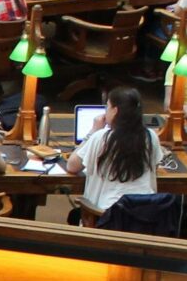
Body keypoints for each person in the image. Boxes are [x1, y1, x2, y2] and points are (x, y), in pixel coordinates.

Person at [63, 85, 159, 217]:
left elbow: (72, 166)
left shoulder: (101, 137)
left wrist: (92, 131)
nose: (105, 111)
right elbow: (155, 166)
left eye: (107, 107)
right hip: (143, 215)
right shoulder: (151, 136)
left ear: (115, 110)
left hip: (107, 215)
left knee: (74, 216)